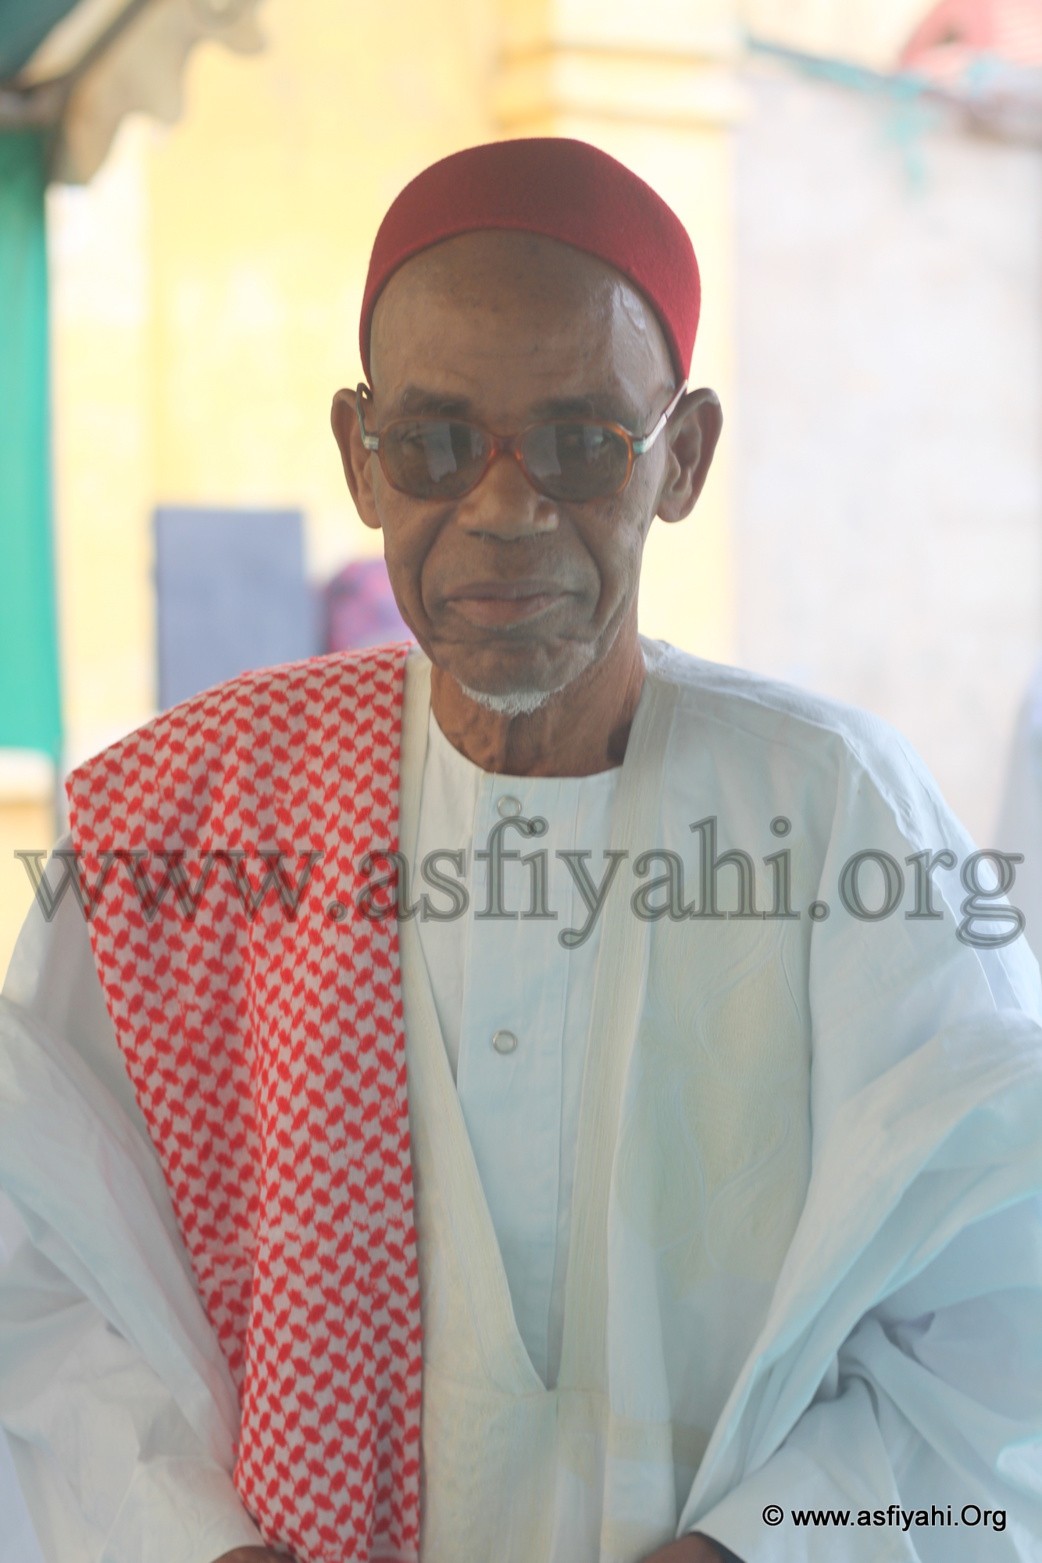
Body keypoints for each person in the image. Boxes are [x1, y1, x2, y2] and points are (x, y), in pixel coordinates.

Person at [2, 136, 1042, 1563]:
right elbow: (41, 1283)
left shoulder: (839, 816)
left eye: (576, 441)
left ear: (679, 460)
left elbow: (999, 1335)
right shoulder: (182, 821)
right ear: (360, 461)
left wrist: (758, 1547)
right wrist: (194, 1542)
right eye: (435, 443)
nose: (502, 509)